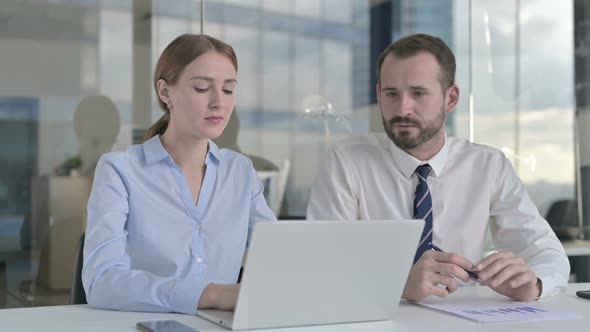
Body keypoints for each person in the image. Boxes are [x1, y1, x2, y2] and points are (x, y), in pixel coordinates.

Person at [307, 33, 569, 303]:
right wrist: (396, 284)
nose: (403, 108)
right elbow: (320, 264)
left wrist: (534, 284)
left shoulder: (488, 166)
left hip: (463, 317)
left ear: (451, 98)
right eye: (391, 94)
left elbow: (547, 253)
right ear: (379, 95)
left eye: (418, 93)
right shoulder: (347, 161)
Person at [82, 34, 276, 314]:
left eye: (229, 90)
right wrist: (210, 295)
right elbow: (101, 282)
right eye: (201, 88)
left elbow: (278, 257)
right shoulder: (120, 170)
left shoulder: (240, 171)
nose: (218, 102)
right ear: (165, 92)